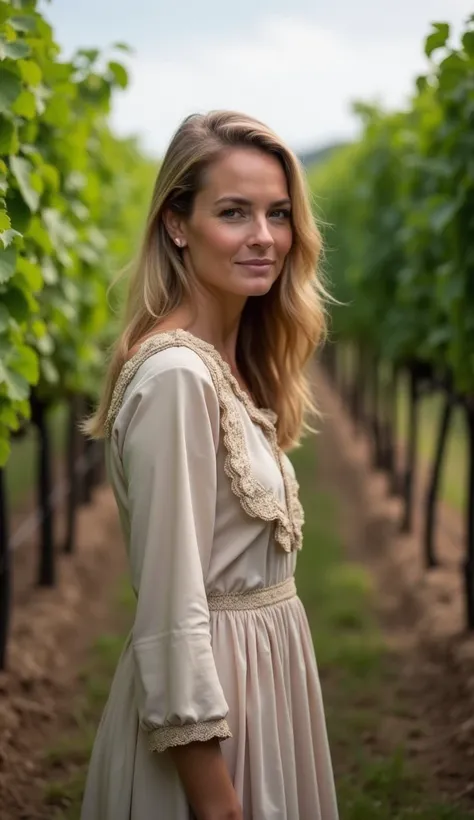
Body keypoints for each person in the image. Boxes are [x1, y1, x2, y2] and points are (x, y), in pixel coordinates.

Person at [80, 110, 339, 820]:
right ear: (177, 224)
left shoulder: (227, 364)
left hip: (262, 688)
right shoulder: (176, 380)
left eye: (279, 213)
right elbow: (170, 607)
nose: (265, 236)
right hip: (211, 719)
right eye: (234, 212)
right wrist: (215, 799)